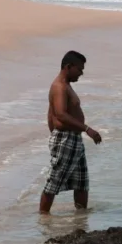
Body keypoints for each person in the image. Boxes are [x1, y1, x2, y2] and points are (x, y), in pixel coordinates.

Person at [39, 50, 102, 214]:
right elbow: (60, 114)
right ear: (68, 66)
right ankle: (43, 218)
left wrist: (55, 134)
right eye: (79, 69)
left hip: (73, 139)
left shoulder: (66, 86)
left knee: (81, 182)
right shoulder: (59, 87)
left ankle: (80, 218)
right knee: (54, 181)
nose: (81, 73)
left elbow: (50, 113)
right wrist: (87, 129)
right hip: (66, 139)